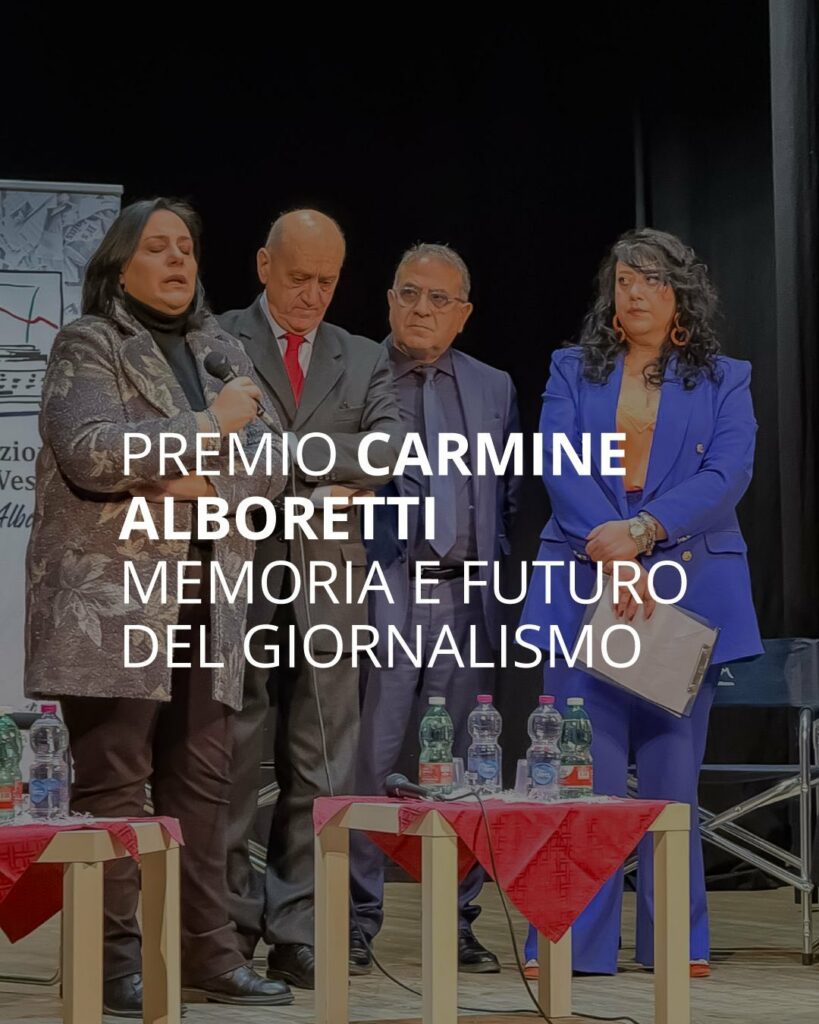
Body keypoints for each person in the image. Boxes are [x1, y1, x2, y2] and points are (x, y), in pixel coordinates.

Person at [25, 198, 293, 1012]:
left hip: (211, 598)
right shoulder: (89, 343)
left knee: (205, 782)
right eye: (157, 247)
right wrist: (207, 426)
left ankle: (207, 951)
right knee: (114, 784)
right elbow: (90, 450)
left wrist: (190, 479)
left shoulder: (220, 349)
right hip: (115, 605)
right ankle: (113, 963)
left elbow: (274, 461)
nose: (178, 259)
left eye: (186, 246)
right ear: (119, 264)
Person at [520, 227, 762, 979]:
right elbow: (557, 459)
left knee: (669, 776)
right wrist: (616, 547)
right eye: (623, 280)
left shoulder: (725, 379)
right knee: (580, 773)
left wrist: (643, 531)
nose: (634, 293)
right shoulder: (571, 368)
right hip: (583, 576)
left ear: (680, 293)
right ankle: (569, 941)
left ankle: (674, 941)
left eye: (651, 279)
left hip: (683, 586)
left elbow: (727, 474)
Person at [219, 209, 403, 990]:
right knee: (229, 759)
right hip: (237, 574)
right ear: (264, 266)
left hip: (329, 584)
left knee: (320, 764)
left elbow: (388, 447)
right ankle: (225, 932)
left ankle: (298, 931)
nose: (313, 295)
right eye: (299, 278)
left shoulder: (363, 356)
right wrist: (327, 470)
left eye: (327, 281)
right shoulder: (216, 340)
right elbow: (227, 446)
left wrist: (284, 457)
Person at [350, 243, 521, 974]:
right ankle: (353, 921)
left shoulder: (493, 385)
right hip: (382, 586)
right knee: (368, 759)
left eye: (439, 298)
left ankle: (456, 923)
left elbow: (505, 496)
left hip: (464, 594)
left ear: (463, 313)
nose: (422, 309)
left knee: (463, 764)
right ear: (389, 300)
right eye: (409, 293)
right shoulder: (356, 370)